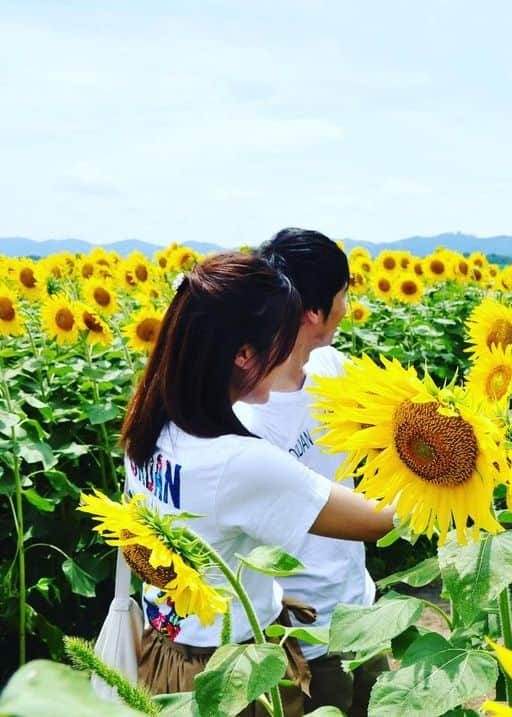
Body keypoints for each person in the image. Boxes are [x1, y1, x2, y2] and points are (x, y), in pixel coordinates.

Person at [120, 251, 394, 716]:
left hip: (167, 651)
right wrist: (463, 455)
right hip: (235, 670)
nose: (293, 354)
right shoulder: (238, 460)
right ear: (244, 354)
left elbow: (148, 539)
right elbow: (376, 522)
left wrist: (258, 589)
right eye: (284, 342)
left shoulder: (152, 424)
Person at [234, 228, 385, 716]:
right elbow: (374, 520)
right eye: (343, 293)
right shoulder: (246, 421)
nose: (348, 304)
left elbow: (398, 425)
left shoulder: (332, 368)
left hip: (360, 612)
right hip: (303, 640)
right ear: (314, 312)